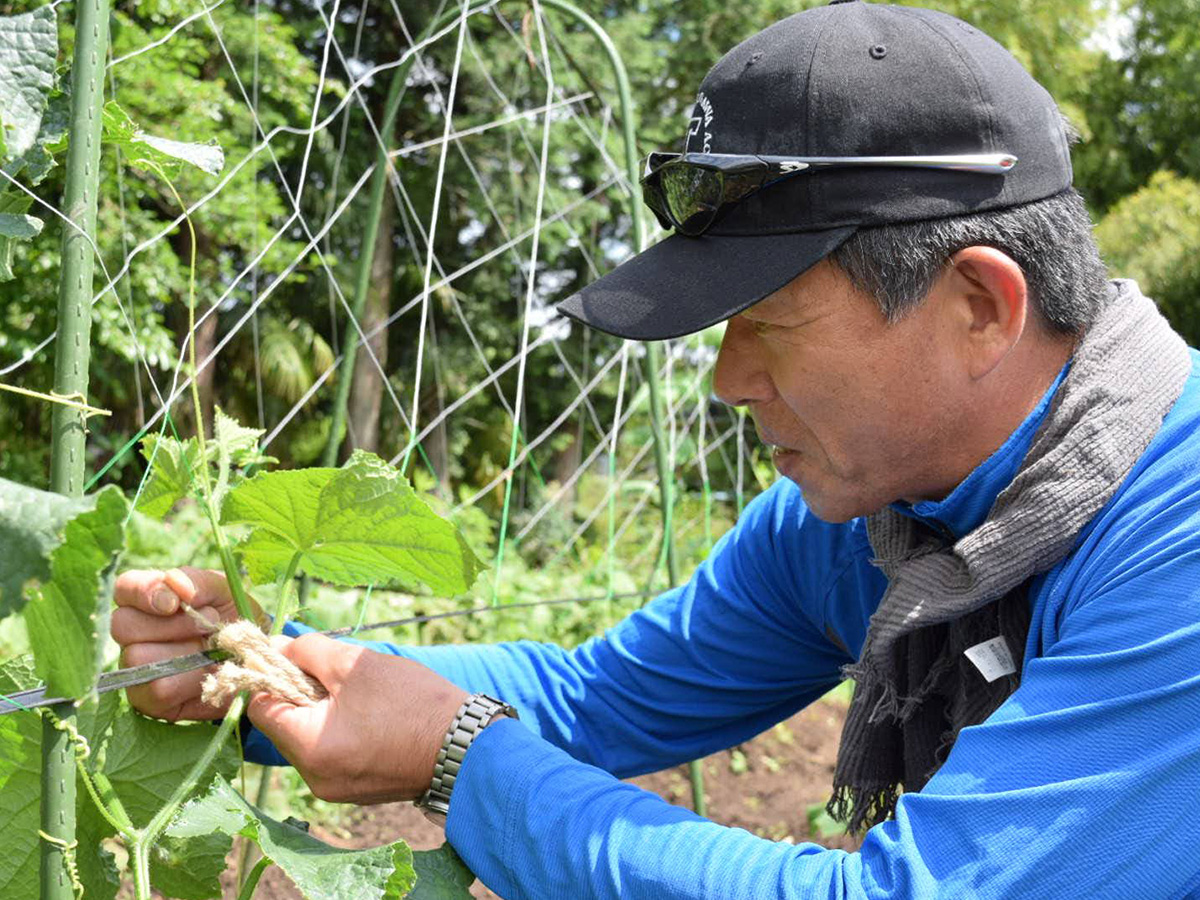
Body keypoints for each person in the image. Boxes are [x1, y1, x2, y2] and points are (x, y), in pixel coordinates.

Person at [113, 2, 1200, 897]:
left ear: (977, 306)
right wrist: (263, 665)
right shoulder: (871, 517)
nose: (729, 380)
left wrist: (466, 758)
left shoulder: (1175, 530)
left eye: (769, 325)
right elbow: (600, 698)